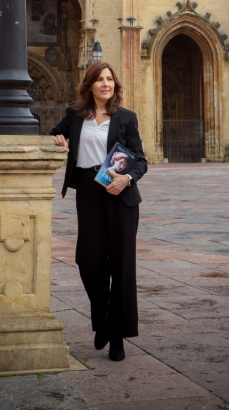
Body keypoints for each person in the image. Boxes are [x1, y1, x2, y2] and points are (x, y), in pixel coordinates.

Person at [51, 62, 147, 361]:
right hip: (90, 193)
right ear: (89, 84)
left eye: (110, 79)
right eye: (100, 79)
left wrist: (126, 178)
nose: (106, 83)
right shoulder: (75, 115)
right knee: (88, 262)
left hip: (120, 194)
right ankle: (105, 319)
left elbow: (141, 160)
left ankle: (117, 337)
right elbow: (56, 133)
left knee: (120, 266)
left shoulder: (126, 118)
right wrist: (58, 139)